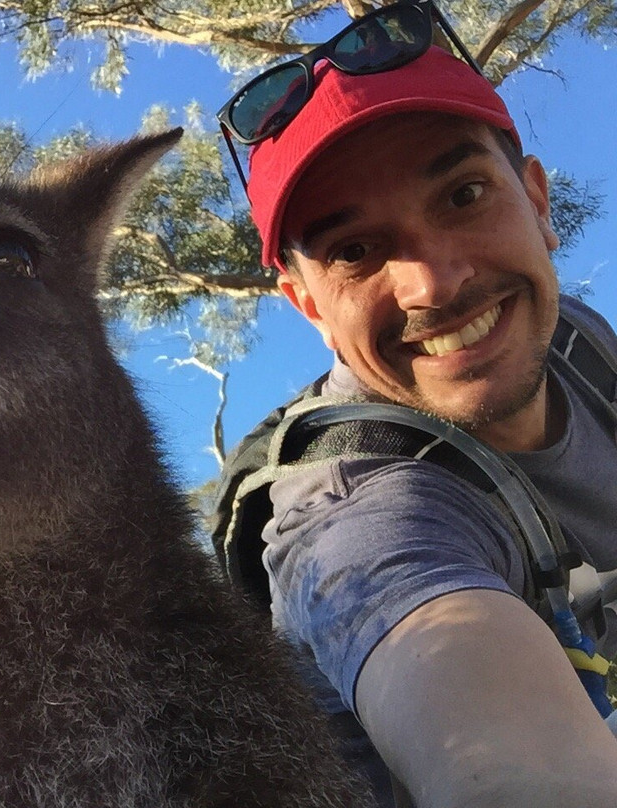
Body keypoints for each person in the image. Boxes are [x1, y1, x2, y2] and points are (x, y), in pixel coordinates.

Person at [213, 3, 617, 807]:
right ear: (310, 308)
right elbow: (509, 773)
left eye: (464, 195)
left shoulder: (575, 339)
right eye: (356, 251)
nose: (434, 283)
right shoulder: (353, 515)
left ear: (537, 201)